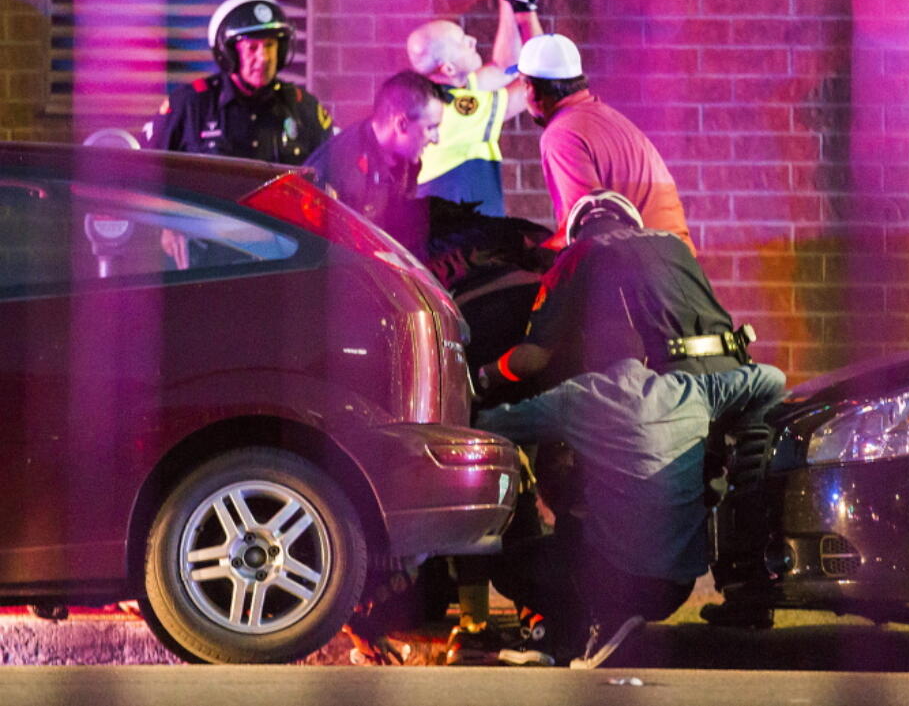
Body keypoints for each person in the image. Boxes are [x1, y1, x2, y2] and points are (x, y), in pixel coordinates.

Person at [469, 190, 786, 667]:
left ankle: (581, 617)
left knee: (592, 481)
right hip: (720, 377)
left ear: (578, 230)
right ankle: (749, 594)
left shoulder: (579, 255)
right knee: (706, 496)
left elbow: (534, 357)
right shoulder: (674, 245)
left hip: (662, 378)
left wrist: (483, 376)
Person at [511, 34, 695, 253]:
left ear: (533, 90)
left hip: (643, 271)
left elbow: (585, 226)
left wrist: (525, 259)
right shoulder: (608, 118)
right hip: (675, 264)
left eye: (523, 85)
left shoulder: (561, 134)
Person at [405, 0, 543, 216]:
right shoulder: (457, 112)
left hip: (461, 235)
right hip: (466, 245)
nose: (470, 40)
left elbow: (507, 64)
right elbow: (538, 78)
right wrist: (526, 10)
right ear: (448, 69)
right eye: (460, 42)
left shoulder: (445, 93)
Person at [147, 0, 335, 164]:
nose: (264, 58)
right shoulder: (189, 107)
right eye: (252, 48)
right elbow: (147, 176)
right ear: (228, 53)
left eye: (270, 45)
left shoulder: (304, 109)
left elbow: (331, 177)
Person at [303, 70, 445, 256]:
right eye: (431, 128)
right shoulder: (342, 170)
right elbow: (324, 253)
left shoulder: (405, 161)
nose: (436, 139)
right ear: (402, 124)